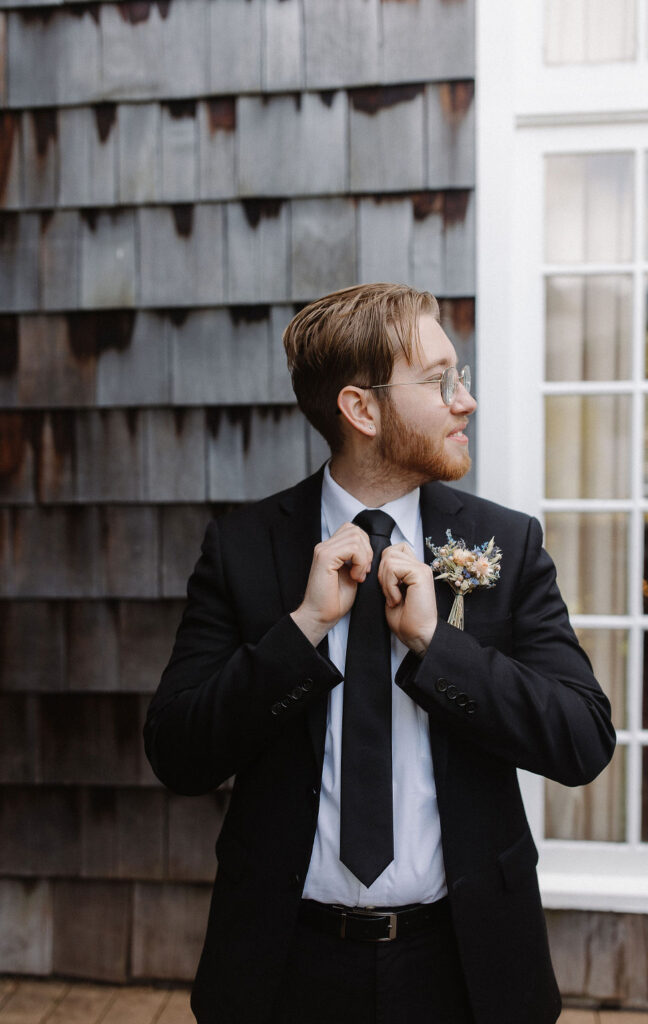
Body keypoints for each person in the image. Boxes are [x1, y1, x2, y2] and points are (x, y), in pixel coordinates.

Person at [144, 283, 615, 1024]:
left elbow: (582, 740)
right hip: (284, 967)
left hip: (465, 967)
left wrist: (436, 644)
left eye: (458, 378)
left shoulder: (508, 543)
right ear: (361, 410)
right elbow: (178, 753)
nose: (465, 401)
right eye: (438, 381)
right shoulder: (242, 549)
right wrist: (301, 628)